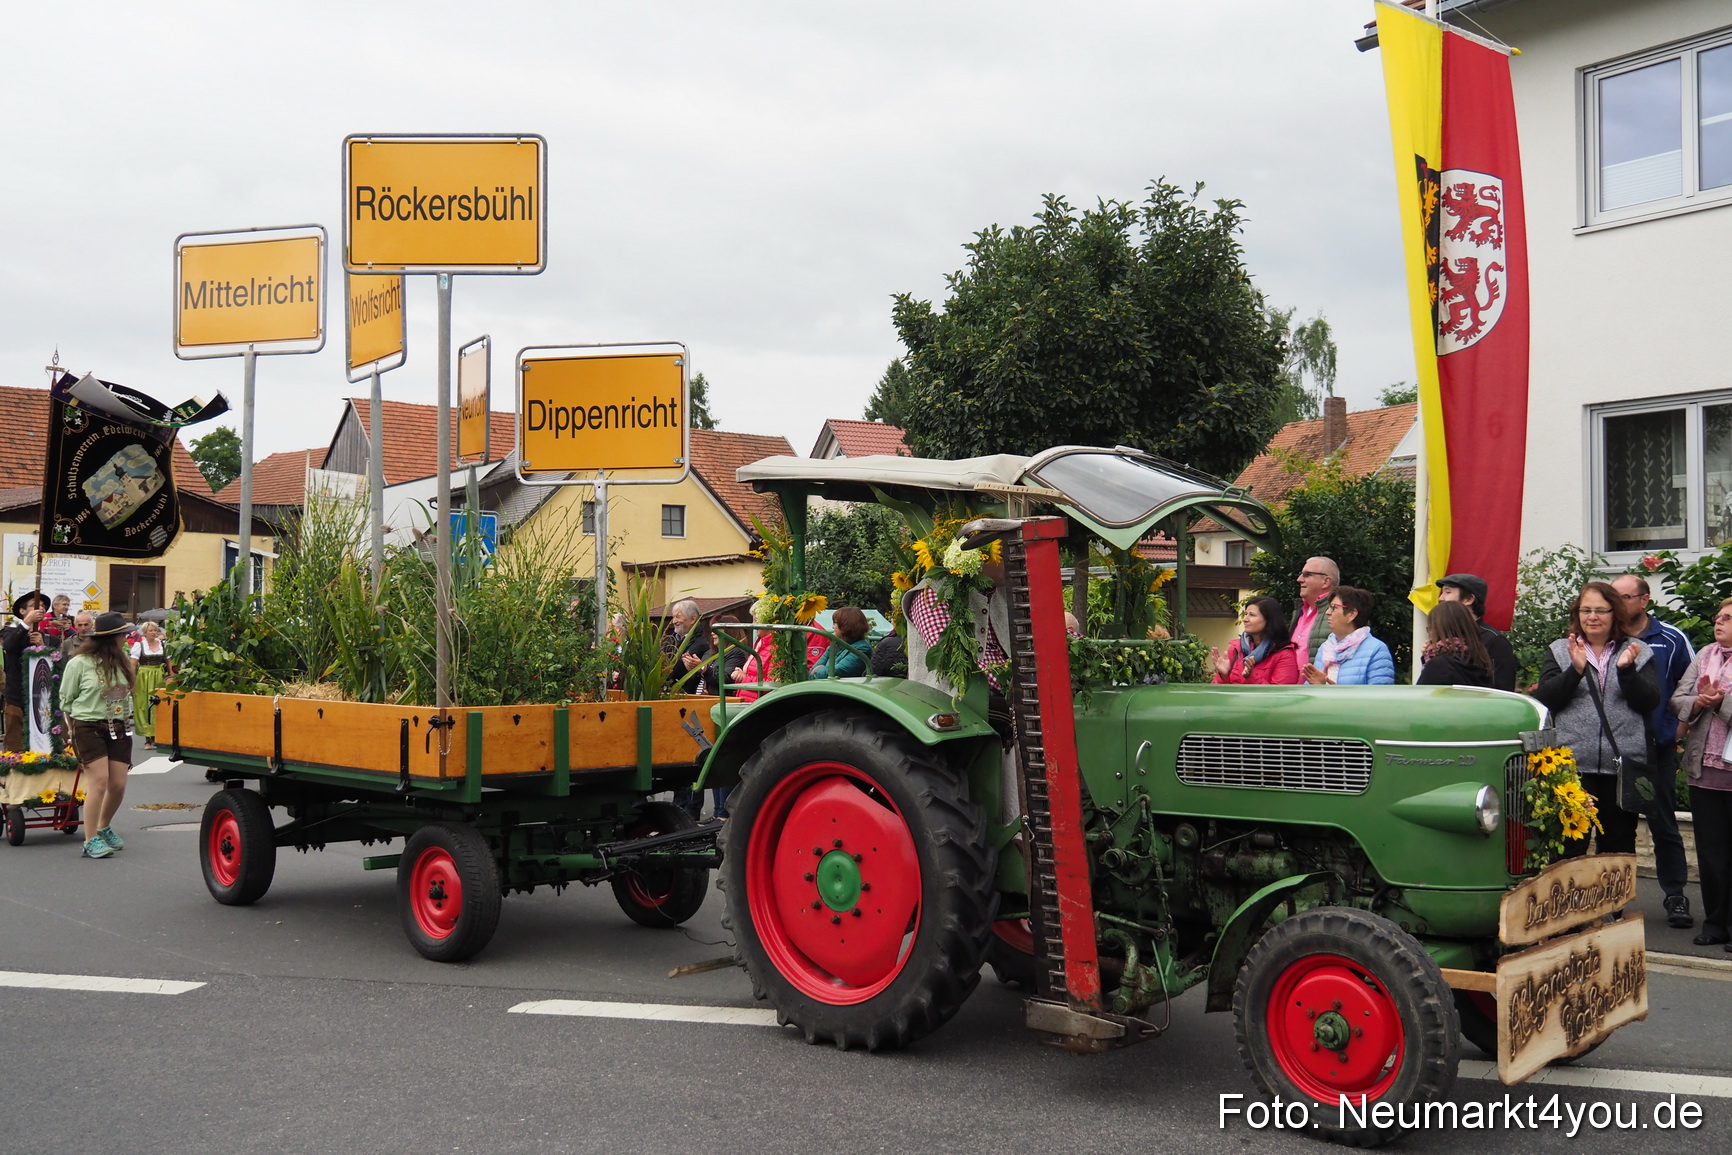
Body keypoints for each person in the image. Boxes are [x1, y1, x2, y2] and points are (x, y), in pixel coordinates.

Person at [1531, 581, 1660, 860]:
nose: (1592, 617)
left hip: (1621, 768)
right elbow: (1546, 700)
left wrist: (1627, 672)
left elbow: (1648, 702)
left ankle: (1610, 894)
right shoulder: (1560, 650)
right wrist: (1575, 671)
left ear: (1615, 613)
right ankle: (1571, 892)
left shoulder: (1638, 650)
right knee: (1569, 848)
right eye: (1585, 610)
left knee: (1617, 849)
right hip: (1571, 768)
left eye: (1600, 610)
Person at [1612, 572, 1696, 928]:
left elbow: (1691, 684)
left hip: (1656, 748)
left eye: (1625, 597)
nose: (1617, 605)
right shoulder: (1606, 637)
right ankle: (1612, 901)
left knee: (1664, 825)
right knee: (1617, 829)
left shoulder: (1671, 638)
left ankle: (1675, 895)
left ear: (1644, 600)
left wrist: (1678, 728)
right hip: (1615, 750)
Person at [1672, 598, 1732, 947]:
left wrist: (1720, 701)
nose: (1718, 622)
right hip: (1704, 772)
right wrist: (1698, 701)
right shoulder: (1706, 654)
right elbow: (1677, 699)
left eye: (1728, 618)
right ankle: (1715, 924)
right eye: (1718, 616)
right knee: (1711, 853)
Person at [62, 611, 137, 860]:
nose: (126, 637)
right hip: (88, 725)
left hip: (118, 724)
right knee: (100, 781)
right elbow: (67, 700)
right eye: (122, 634)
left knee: (118, 784)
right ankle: (90, 839)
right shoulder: (79, 663)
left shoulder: (121, 660)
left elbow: (126, 693)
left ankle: (103, 827)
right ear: (110, 638)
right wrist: (71, 730)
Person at [1435, 573, 1518, 691]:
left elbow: (1502, 689)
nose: (1441, 598)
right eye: (1442, 592)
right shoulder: (1444, 635)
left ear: (1469, 599)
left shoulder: (1493, 640)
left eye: (1448, 592)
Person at [1300, 586, 1395, 685]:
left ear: (1352, 614)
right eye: (1328, 607)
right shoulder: (1325, 648)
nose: (1327, 612)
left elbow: (1380, 694)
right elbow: (1313, 688)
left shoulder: (1376, 650)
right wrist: (1317, 687)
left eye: (1333, 608)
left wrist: (1333, 691)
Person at [1210, 596, 1301, 685]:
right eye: (1246, 614)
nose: (1245, 619)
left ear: (1269, 620)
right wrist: (1224, 676)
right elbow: (1217, 691)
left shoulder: (1284, 654)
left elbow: (1281, 693)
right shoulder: (1236, 649)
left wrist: (1251, 677)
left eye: (1252, 615)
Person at [1, 592, 48, 753]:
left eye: (43, 606)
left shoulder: (48, 638)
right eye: (34, 605)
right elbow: (9, 645)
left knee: (40, 744)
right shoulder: (10, 632)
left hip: (41, 697)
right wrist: (27, 622)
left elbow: (53, 664)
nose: (40, 608)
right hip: (16, 695)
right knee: (14, 744)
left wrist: (42, 646)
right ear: (22, 611)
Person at [1416, 601, 1495, 687]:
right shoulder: (1482, 659)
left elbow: (1422, 693)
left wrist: (1427, 662)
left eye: (1430, 629)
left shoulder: (1438, 665)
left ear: (1438, 630)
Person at [1291, 557, 1339, 668]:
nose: (1299, 579)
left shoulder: (1340, 612)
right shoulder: (1299, 611)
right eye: (1301, 574)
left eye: (1307, 575)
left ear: (1326, 581)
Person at [130, 621, 168, 751]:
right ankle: (148, 737)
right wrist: (132, 682)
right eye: (150, 630)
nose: (153, 632)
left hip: (159, 677)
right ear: (145, 632)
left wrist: (171, 675)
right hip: (143, 678)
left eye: (155, 630)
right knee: (144, 706)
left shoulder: (163, 644)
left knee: (159, 705)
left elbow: (168, 662)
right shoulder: (139, 645)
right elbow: (132, 665)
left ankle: (157, 736)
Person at [810, 608, 871, 679]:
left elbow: (834, 673)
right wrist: (820, 671)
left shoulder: (862, 649)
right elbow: (811, 672)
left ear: (846, 626)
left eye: (835, 623)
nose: (832, 627)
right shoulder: (835, 645)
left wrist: (817, 671)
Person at [664, 599, 710, 693]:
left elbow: (676, 669)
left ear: (693, 619)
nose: (674, 621)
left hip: (684, 694)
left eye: (678, 617)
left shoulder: (700, 644)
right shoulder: (669, 640)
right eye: (673, 617)